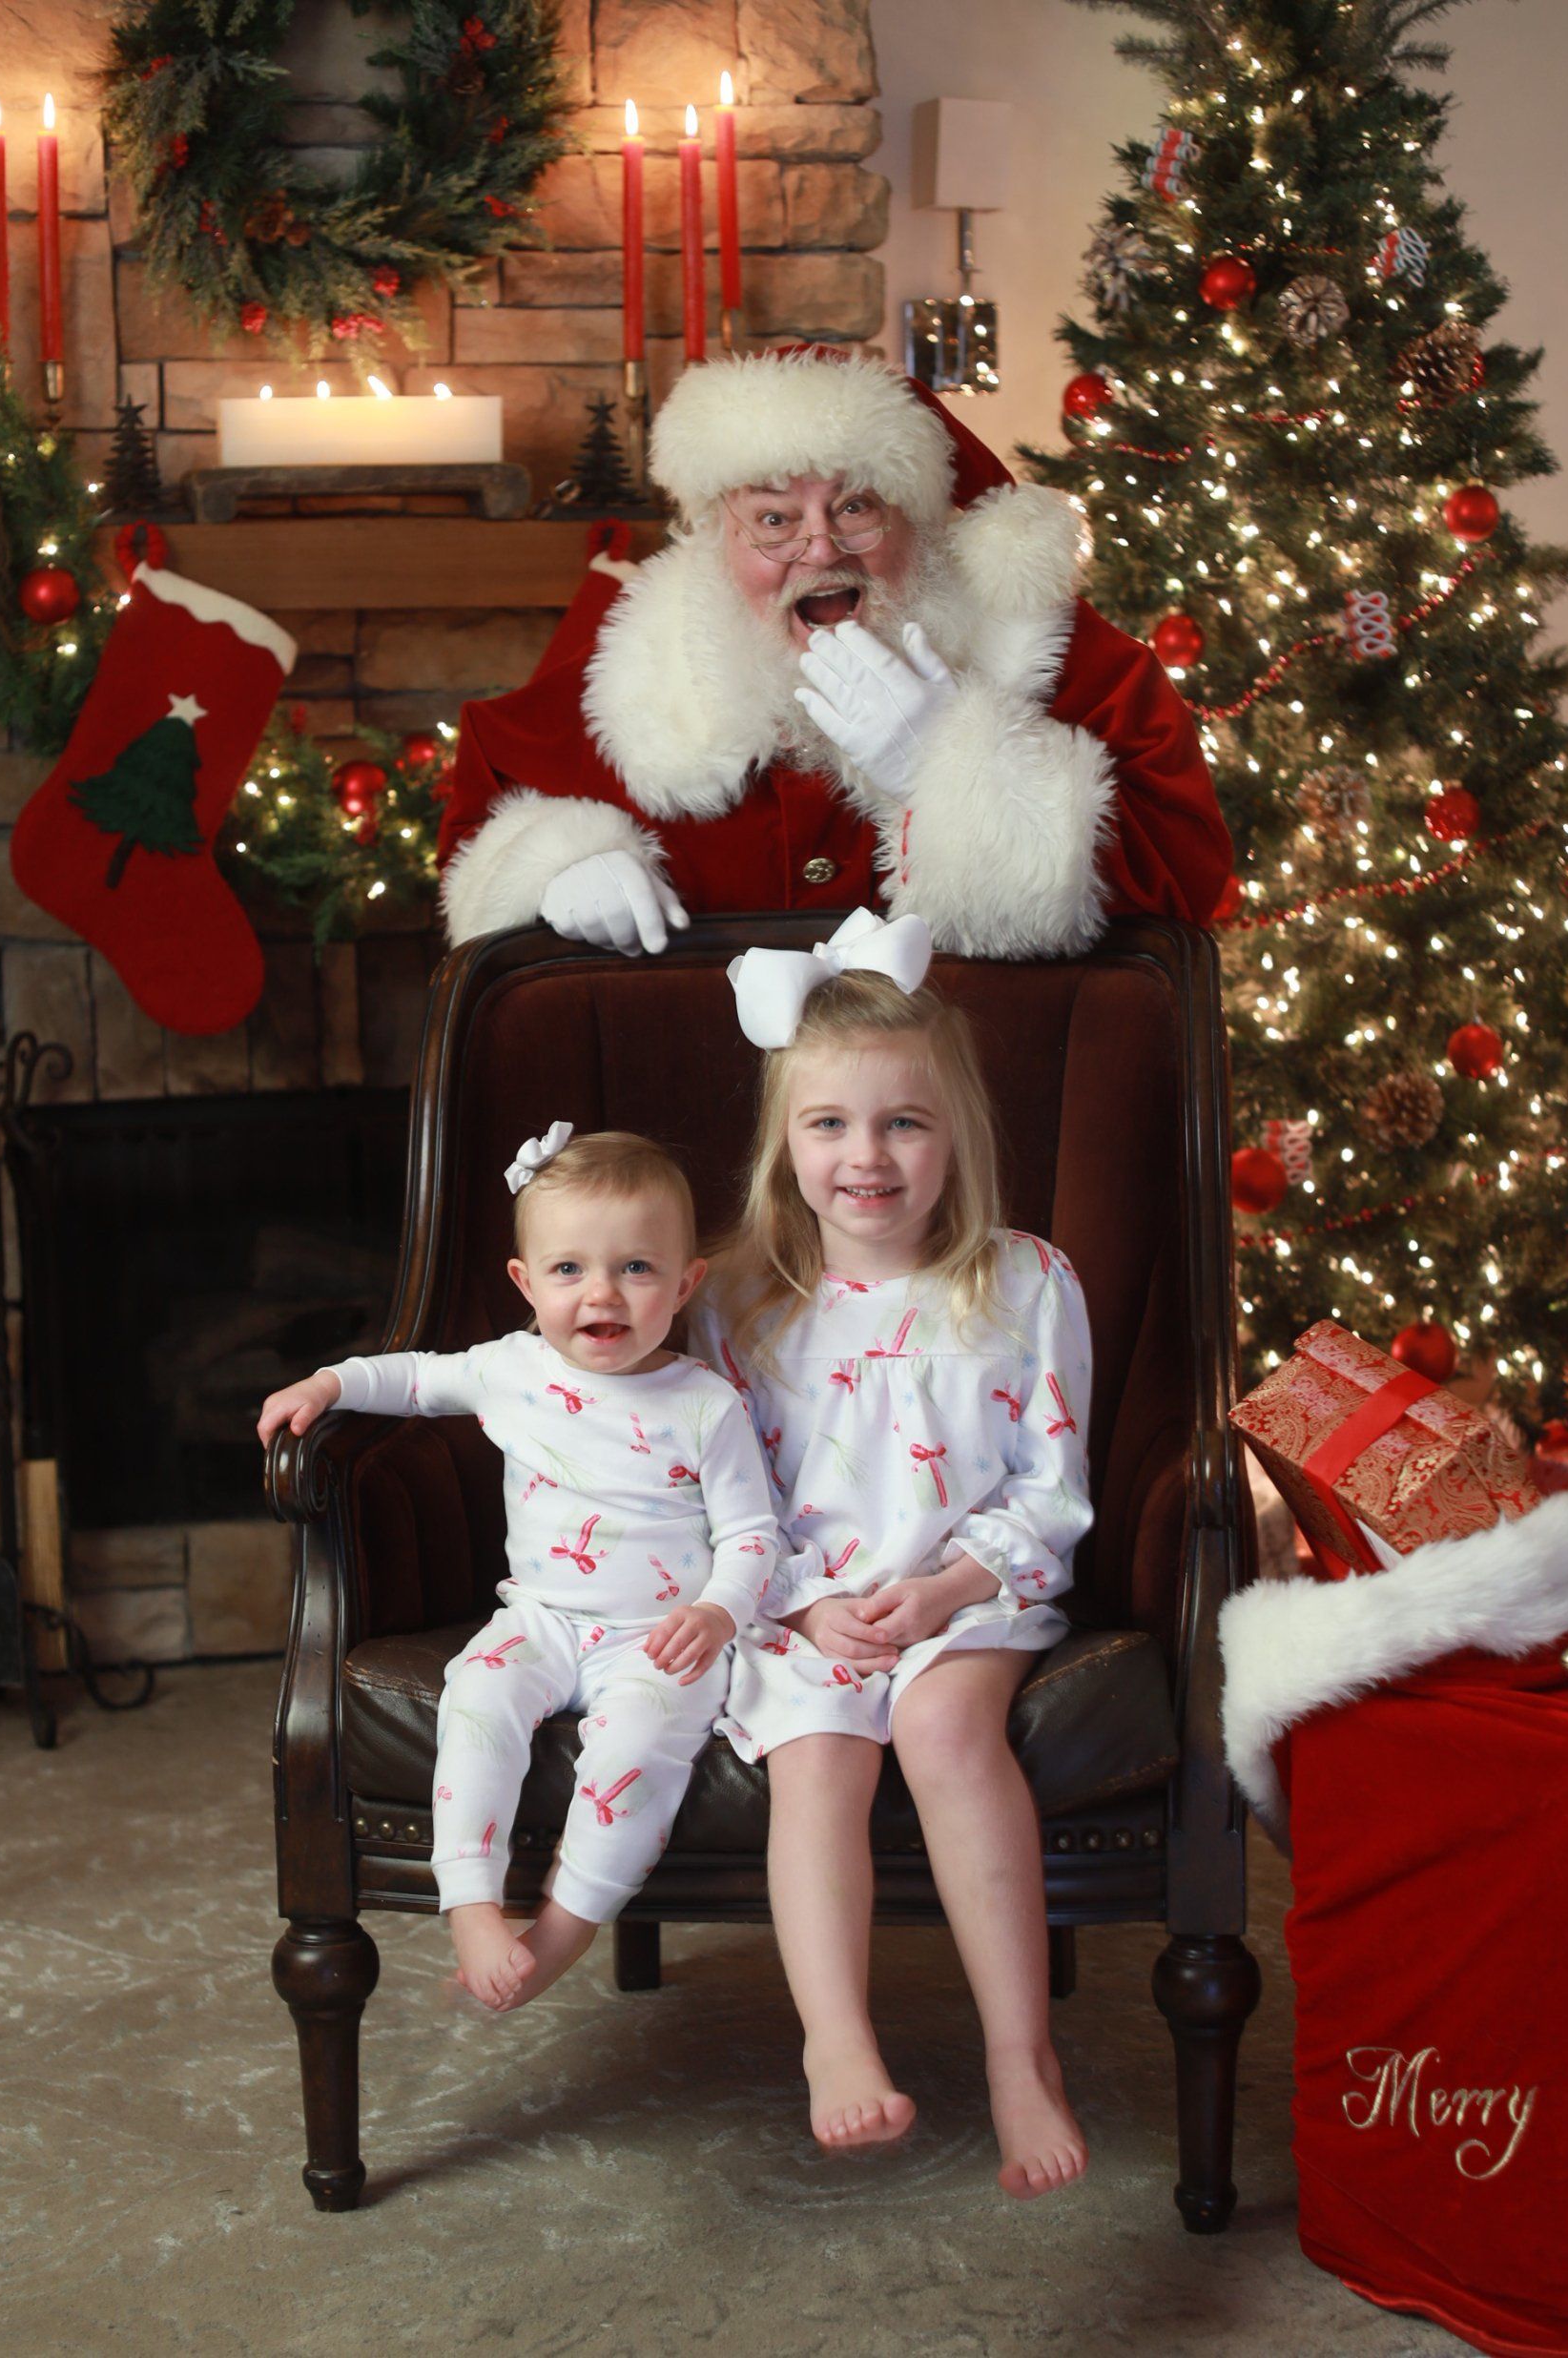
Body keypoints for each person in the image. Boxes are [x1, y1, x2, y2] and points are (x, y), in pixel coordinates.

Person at [690, 907, 1094, 2201]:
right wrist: (805, 1610)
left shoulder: (1026, 1283)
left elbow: (1052, 1488)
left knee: (941, 1733)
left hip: (969, 1600)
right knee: (817, 1762)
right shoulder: (738, 1304)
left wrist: (948, 1590)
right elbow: (722, 1493)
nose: (867, 1156)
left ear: (953, 1137)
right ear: (785, 1144)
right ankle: (837, 2042)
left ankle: (1019, 2056)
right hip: (802, 1613)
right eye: (830, 1124)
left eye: (903, 1123)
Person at [439, 344, 1232, 961]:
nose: (821, 550)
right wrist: (555, 863)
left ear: (922, 522)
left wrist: (949, 773)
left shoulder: (1057, 657)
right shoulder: (648, 666)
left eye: (856, 507)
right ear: (720, 535)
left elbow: (1182, 884)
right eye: (775, 520)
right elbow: (491, 802)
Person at [256, 1127, 786, 2013]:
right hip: (540, 1617)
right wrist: (329, 1384)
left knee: (634, 1755)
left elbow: (753, 1535)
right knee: (478, 1697)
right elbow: (416, 1381)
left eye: (637, 1270)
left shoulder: (704, 1402)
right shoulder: (512, 1369)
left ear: (687, 1282)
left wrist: (721, 1613)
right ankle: (471, 1900)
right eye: (569, 1270)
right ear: (526, 1283)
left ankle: (561, 1930)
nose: (602, 1293)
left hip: (655, 1638)